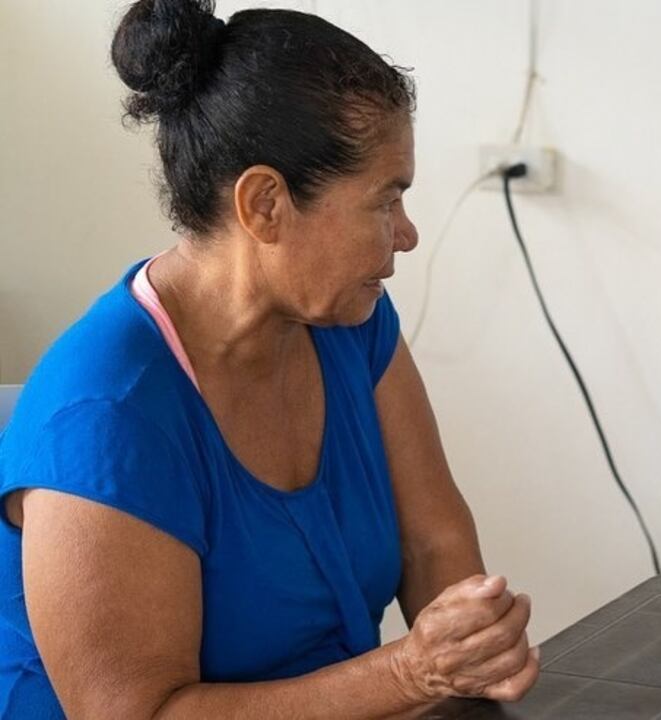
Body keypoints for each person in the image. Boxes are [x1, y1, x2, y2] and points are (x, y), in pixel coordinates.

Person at [0, 1, 538, 716]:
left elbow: (430, 535)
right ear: (264, 205)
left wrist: (473, 652)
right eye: (385, 201)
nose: (406, 235)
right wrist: (411, 674)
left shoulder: (350, 322)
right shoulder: (106, 415)